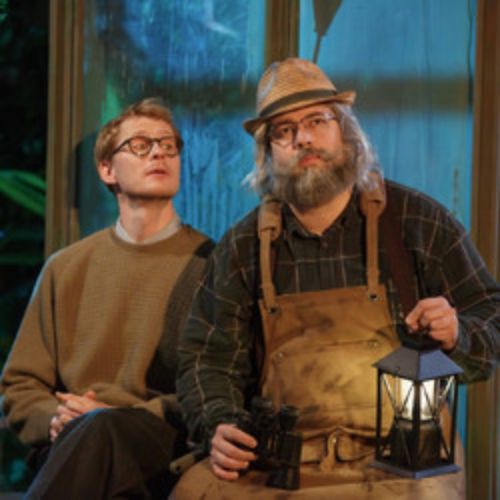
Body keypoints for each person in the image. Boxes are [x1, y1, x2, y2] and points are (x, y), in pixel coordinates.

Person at [172, 58, 500, 499]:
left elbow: (491, 317)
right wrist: (220, 423)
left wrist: (457, 332)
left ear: (346, 131)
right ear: (268, 153)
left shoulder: (417, 222)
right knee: (194, 491)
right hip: (283, 462)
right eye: (284, 131)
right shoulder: (245, 246)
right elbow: (208, 359)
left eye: (317, 120)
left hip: (402, 460)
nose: (303, 138)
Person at [0, 98, 213, 499]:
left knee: (100, 430)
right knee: (92, 438)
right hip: (73, 440)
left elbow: (215, 390)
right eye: (141, 145)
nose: (158, 153)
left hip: (162, 441)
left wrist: (114, 415)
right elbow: (20, 385)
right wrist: (56, 419)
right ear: (107, 170)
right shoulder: (66, 268)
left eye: (168, 145)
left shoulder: (211, 266)